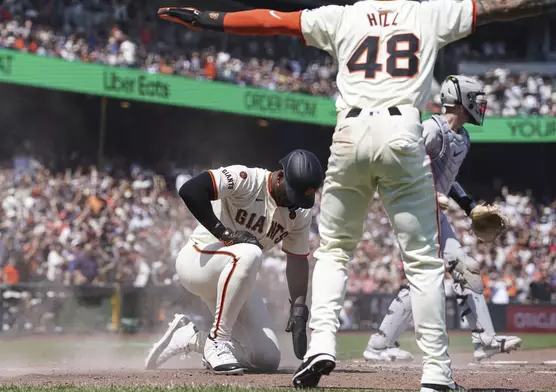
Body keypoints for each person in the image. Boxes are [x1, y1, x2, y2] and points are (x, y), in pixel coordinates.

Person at [157, 1, 554, 390]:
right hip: (402, 131)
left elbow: (272, 20)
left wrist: (214, 20)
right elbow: (496, 8)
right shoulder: (428, 12)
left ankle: (321, 345)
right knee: (421, 261)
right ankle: (436, 371)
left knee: (333, 250)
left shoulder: (342, 16)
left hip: (349, 132)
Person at [362, 75, 521, 364]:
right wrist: (430, 195)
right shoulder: (432, 129)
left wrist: (469, 206)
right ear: (461, 103)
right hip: (415, 208)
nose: (481, 107)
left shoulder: (462, 136)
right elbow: (402, 165)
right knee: (439, 273)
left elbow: (449, 180)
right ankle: (381, 345)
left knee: (450, 272)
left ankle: (381, 344)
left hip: (431, 211)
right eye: (476, 101)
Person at [144, 149, 324, 374]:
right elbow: (190, 190)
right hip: (198, 262)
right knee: (251, 252)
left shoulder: (299, 213)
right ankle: (219, 340)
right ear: (280, 176)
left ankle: (191, 338)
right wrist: (225, 234)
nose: (293, 201)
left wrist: (299, 307)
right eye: (291, 193)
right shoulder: (247, 179)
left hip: (236, 278)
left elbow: (297, 259)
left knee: (266, 359)